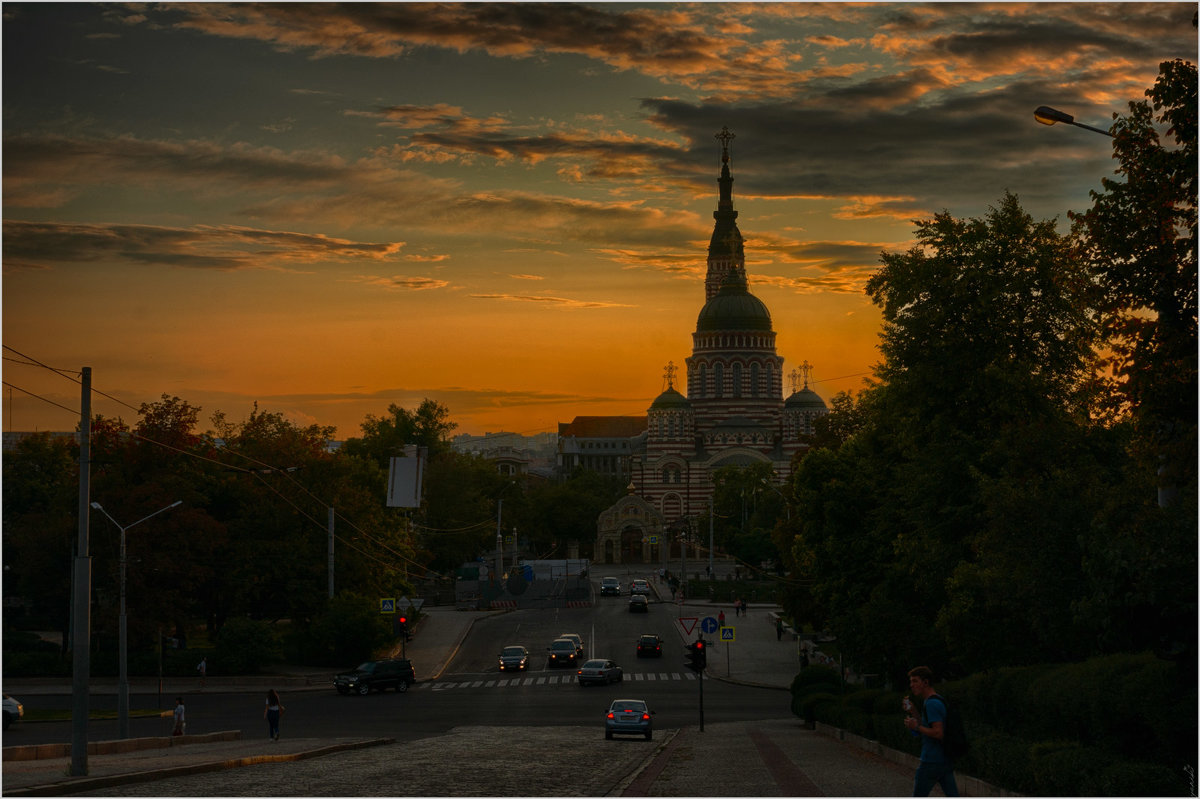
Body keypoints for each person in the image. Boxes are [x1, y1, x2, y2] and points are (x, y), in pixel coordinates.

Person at [904, 666, 959, 797]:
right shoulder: (935, 700)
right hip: (944, 760)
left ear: (926, 682)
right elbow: (927, 725)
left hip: (931, 761)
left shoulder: (931, 704)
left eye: (915, 681)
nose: (911, 685)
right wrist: (913, 711)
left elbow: (937, 732)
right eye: (911, 681)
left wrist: (915, 727)